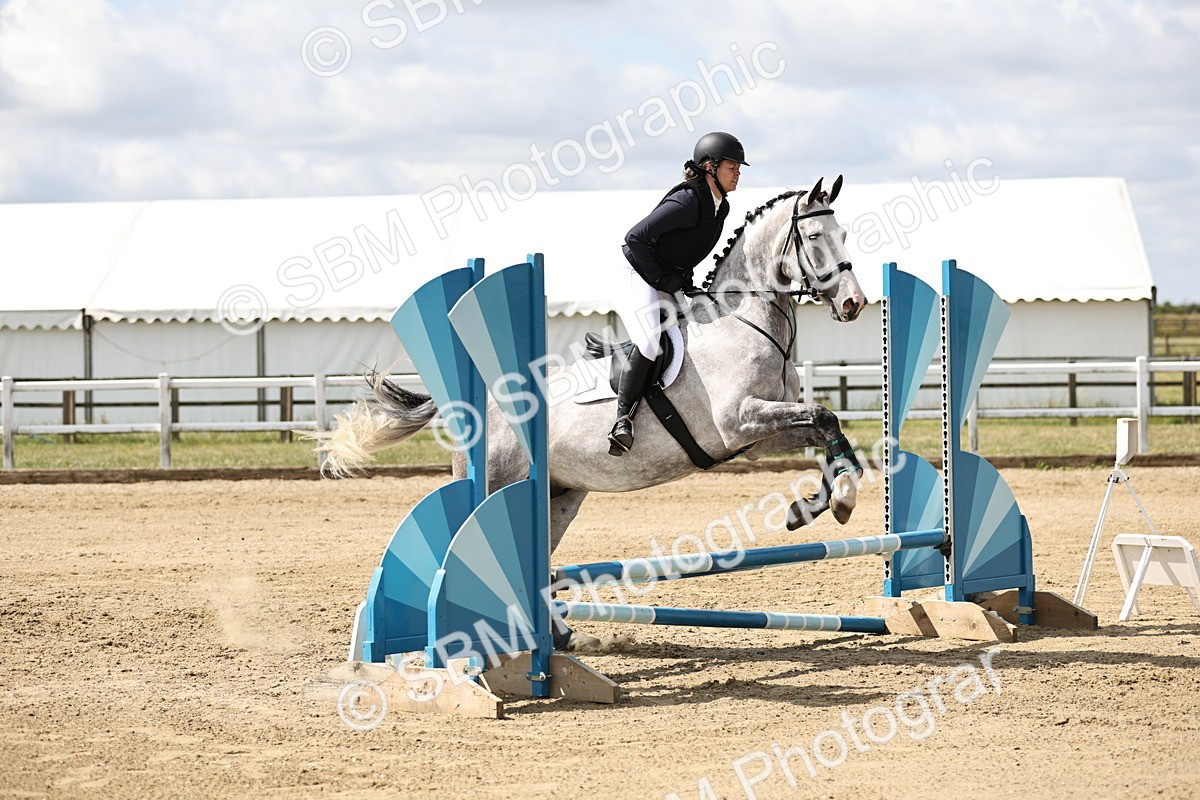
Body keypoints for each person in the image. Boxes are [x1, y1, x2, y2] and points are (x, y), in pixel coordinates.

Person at [608, 131, 747, 456]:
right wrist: (662, 279)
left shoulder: (720, 207)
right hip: (637, 272)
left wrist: (683, 282)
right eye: (732, 167)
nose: (738, 173)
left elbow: (683, 251)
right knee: (651, 340)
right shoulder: (687, 200)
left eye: (739, 168)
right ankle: (622, 421)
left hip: (661, 276)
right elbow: (635, 239)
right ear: (710, 167)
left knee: (696, 329)